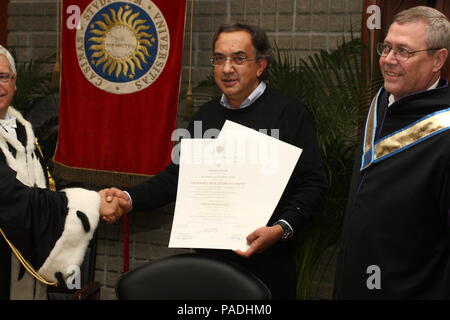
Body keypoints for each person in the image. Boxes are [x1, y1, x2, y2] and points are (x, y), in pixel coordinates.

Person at [103, 23, 327, 299]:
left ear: (260, 65)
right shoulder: (205, 117)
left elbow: (313, 184)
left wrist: (281, 228)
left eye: (238, 58)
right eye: (219, 58)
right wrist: (129, 198)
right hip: (209, 272)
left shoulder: (289, 113)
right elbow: (176, 178)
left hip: (269, 270)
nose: (227, 68)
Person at [334, 6, 450, 299]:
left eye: (403, 51)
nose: (387, 60)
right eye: (386, 47)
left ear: (438, 59)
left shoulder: (444, 132)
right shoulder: (382, 103)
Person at [0, 45, 125, 300]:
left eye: (3, 76)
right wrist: (94, 203)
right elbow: (16, 200)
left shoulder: (22, 131)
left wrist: (106, 195)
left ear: (14, 83)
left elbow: (47, 186)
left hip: (27, 266)